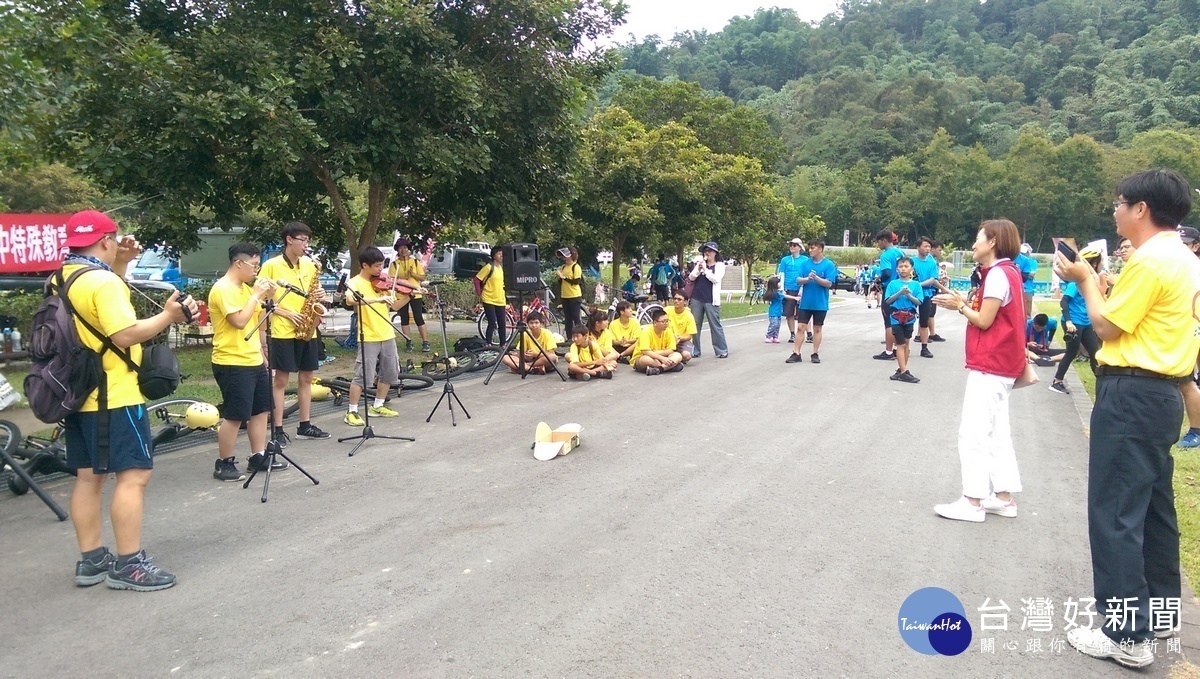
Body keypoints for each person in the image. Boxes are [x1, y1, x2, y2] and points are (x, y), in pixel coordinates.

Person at [1054, 169, 1198, 668]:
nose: (1115, 211)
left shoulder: (1151, 259)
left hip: (1133, 392)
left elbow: (1107, 326)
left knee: (1116, 511)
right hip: (1163, 396)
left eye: (1119, 203)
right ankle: (1160, 613)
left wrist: (1087, 279)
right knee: (1154, 508)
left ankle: (1125, 635)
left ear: (1141, 209)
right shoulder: (1183, 257)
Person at [59, 210, 196, 591]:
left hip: (79, 393)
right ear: (105, 239)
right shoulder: (102, 282)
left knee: (89, 477)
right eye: (116, 241)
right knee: (133, 476)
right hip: (115, 394)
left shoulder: (63, 277)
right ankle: (130, 564)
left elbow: (95, 318)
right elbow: (123, 334)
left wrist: (121, 262)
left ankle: (92, 560)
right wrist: (168, 315)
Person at [931, 218, 1027, 525]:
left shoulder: (998, 274)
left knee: (973, 432)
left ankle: (972, 502)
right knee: (998, 431)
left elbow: (984, 320)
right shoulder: (1008, 272)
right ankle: (1003, 497)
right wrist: (962, 303)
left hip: (991, 363)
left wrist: (959, 307)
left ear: (993, 242)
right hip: (1003, 365)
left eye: (979, 238)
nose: (974, 244)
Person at [209, 243, 284, 482]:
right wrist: (256, 295)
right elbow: (239, 322)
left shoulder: (244, 289)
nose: (256, 271)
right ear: (238, 263)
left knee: (261, 410)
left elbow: (257, 320)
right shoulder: (223, 289)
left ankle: (257, 455)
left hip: (252, 358)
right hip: (231, 360)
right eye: (253, 265)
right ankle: (224, 462)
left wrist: (268, 297)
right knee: (235, 414)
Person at [259, 221, 331, 446]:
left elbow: (312, 294)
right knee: (281, 380)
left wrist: (319, 295)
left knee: (307, 377)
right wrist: (287, 314)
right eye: (303, 240)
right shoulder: (271, 265)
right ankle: (278, 429)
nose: (306, 245)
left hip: (307, 328)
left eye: (308, 241)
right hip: (282, 329)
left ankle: (305, 424)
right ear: (289, 239)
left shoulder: (309, 265)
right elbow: (261, 300)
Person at [344, 247, 409, 426]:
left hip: (386, 333)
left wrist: (410, 295)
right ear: (365, 265)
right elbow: (350, 300)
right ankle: (352, 411)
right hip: (368, 335)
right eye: (378, 266)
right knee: (362, 375)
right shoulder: (355, 282)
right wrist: (377, 300)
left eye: (382, 266)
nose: (381, 270)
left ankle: (378, 406)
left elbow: (395, 306)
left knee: (389, 371)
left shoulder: (383, 283)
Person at [1048, 249, 1105, 395]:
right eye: (1100, 262)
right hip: (1073, 322)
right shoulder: (1077, 283)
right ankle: (1057, 381)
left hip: (1086, 323)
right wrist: (1068, 322)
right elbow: (1064, 302)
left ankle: (1100, 381)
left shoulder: (1091, 282)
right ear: (1094, 264)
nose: (1102, 265)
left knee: (1095, 352)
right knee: (1072, 352)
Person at [790, 240, 837, 364]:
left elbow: (829, 283)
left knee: (817, 328)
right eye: (809, 248)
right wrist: (807, 278)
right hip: (806, 302)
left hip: (820, 303)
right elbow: (798, 279)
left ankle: (815, 353)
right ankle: (796, 352)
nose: (810, 250)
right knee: (800, 327)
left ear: (820, 249)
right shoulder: (805, 264)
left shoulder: (828, 265)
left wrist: (816, 278)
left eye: (812, 248)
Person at [1176, 226, 1200, 449]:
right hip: (1183, 330)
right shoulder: (1177, 268)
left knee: (1186, 382)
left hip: (1194, 329)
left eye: (1186, 245)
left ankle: (1196, 430)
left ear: (1196, 246)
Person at [883, 257, 922, 383]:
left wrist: (908, 295)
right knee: (900, 344)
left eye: (906, 266)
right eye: (900, 266)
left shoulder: (916, 285)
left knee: (906, 343)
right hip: (896, 318)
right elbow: (888, 300)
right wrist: (900, 293)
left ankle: (901, 369)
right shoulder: (893, 284)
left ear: (911, 268)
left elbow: (919, 302)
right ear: (896, 269)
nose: (903, 269)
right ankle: (904, 371)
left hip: (909, 318)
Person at [688, 241, 729, 359]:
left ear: (715, 253)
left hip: (711, 299)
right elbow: (691, 277)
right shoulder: (700, 264)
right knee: (695, 325)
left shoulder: (720, 265)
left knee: (715, 325)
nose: (707, 253)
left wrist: (705, 270)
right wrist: (699, 268)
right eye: (705, 250)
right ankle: (694, 350)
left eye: (710, 251)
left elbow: (716, 279)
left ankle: (721, 350)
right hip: (697, 297)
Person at [390, 237, 429, 352]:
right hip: (401, 294)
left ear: (408, 249)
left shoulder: (415, 262)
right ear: (397, 250)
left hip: (415, 293)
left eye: (405, 248)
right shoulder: (394, 264)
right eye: (401, 248)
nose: (403, 250)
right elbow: (392, 280)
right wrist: (404, 278)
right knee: (404, 318)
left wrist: (412, 274)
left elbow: (422, 277)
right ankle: (408, 341)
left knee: (418, 317)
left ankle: (425, 342)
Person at [501, 310, 558, 375]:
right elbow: (521, 352)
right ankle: (532, 369)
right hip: (529, 359)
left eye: (536, 323)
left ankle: (523, 367)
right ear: (527, 324)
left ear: (541, 324)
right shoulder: (525, 334)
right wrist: (524, 355)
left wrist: (535, 355)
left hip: (543, 360)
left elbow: (551, 354)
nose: (534, 325)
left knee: (552, 357)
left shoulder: (547, 333)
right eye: (531, 323)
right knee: (506, 358)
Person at [632, 307, 683, 376]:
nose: (666, 323)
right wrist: (662, 358)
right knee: (646, 360)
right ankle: (670, 367)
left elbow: (671, 350)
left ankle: (659, 369)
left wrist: (657, 353)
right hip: (646, 357)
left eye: (667, 321)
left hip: (662, 357)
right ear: (655, 322)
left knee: (678, 355)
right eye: (663, 321)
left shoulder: (668, 331)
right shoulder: (646, 331)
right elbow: (645, 351)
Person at [912, 236, 940, 359]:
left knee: (924, 321)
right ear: (918, 247)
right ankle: (901, 346)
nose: (928, 249)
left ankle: (924, 347)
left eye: (929, 246)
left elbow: (933, 279)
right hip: (911, 294)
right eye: (925, 246)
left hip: (926, 294)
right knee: (904, 318)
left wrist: (919, 285)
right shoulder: (911, 261)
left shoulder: (932, 262)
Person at [776, 238, 808, 343]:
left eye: (794, 245)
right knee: (789, 313)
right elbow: (782, 274)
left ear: (799, 247)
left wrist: (803, 287)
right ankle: (792, 333)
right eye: (791, 245)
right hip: (788, 288)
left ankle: (806, 332)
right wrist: (782, 288)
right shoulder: (785, 260)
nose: (792, 247)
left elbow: (806, 274)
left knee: (803, 312)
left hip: (801, 288)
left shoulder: (805, 260)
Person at [477, 246, 506, 347]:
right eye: (499, 253)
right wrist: (479, 293)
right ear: (494, 256)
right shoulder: (489, 267)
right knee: (492, 322)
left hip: (500, 299)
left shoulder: (502, 268)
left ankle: (503, 344)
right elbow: (477, 279)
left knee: (502, 322)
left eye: (502, 253)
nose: (501, 255)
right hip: (489, 299)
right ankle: (488, 343)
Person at [557, 246, 584, 335]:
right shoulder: (564, 267)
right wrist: (560, 278)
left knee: (575, 317)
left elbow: (576, 281)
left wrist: (563, 277)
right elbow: (561, 282)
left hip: (574, 295)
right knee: (567, 318)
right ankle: (569, 337)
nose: (565, 258)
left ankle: (580, 335)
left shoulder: (576, 267)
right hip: (565, 295)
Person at [665, 289, 698, 362]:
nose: (676, 301)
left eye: (679, 299)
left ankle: (678, 357)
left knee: (686, 355)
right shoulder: (666, 310)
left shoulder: (689, 316)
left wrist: (680, 339)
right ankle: (673, 356)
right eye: (675, 298)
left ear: (685, 302)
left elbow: (690, 336)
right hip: (668, 339)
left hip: (682, 341)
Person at [927, 240, 948, 342]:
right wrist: (943, 288)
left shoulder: (931, 260)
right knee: (929, 313)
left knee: (930, 313)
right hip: (930, 290)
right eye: (939, 250)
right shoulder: (931, 261)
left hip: (932, 288)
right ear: (933, 249)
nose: (940, 252)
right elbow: (932, 279)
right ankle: (930, 333)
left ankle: (928, 333)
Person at [1015, 243, 1038, 318]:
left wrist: (1020, 273)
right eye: (1021, 252)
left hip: (1028, 288)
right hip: (1018, 288)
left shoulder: (1033, 262)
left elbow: (1032, 274)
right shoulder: (1016, 258)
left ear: (1029, 252)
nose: (1023, 254)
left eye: (1025, 252)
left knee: (1027, 312)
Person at [764, 275, 784, 344]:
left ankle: (775, 336)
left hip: (778, 312)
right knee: (774, 324)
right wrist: (794, 298)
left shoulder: (777, 292)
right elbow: (785, 296)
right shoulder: (776, 293)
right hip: (774, 312)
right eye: (778, 283)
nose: (780, 284)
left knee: (777, 325)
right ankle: (768, 335)